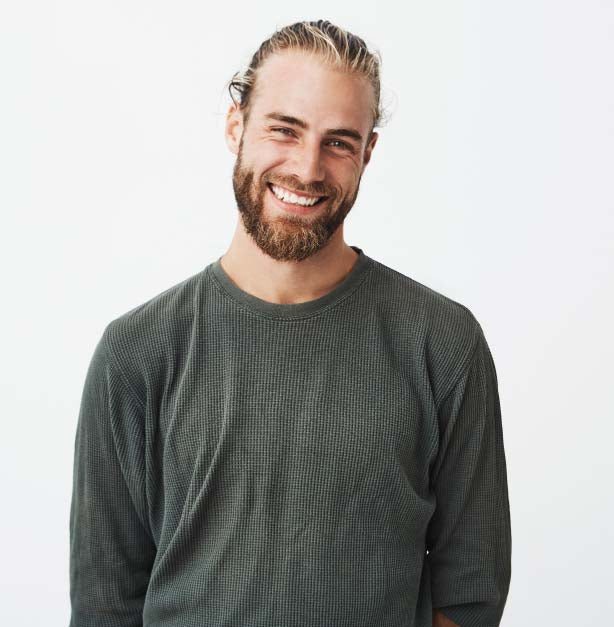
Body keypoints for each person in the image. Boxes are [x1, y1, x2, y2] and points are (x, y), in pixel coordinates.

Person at [68, 19, 511, 627]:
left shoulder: (442, 342)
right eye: (285, 129)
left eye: (338, 142)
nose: (306, 169)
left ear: (368, 154)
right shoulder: (136, 354)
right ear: (236, 126)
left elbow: (471, 590)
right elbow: (104, 605)